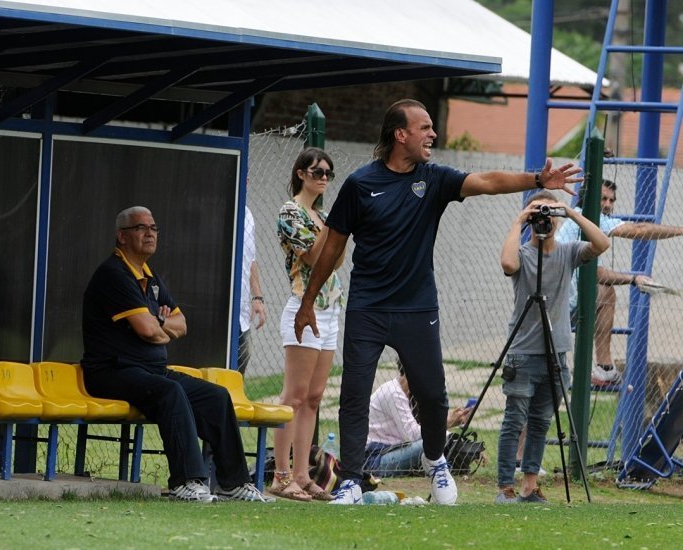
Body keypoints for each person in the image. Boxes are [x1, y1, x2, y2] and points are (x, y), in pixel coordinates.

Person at [293, 98, 583, 506]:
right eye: (424, 127)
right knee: (354, 394)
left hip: (418, 308)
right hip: (368, 307)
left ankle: (435, 461)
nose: (433, 134)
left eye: (432, 126)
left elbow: (486, 181)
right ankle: (352, 481)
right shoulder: (359, 185)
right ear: (400, 135)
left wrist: (537, 178)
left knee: (432, 396)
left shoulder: (434, 179)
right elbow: (331, 248)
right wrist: (308, 302)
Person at [80, 206, 272, 503]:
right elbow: (148, 331)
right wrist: (157, 321)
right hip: (111, 371)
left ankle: (233, 483)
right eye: (140, 228)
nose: (149, 233)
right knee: (170, 392)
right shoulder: (113, 274)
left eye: (154, 228)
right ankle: (186, 481)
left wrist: (155, 321)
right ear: (122, 236)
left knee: (217, 396)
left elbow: (181, 325)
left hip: (149, 370)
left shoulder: (150, 277)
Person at [496, 191, 609, 504]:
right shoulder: (522, 254)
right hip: (523, 353)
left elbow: (602, 244)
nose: (544, 220)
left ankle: (529, 488)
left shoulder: (568, 252)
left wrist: (570, 213)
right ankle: (505, 487)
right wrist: (519, 219)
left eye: (548, 214)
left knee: (541, 422)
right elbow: (507, 263)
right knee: (514, 421)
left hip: (556, 354)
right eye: (538, 214)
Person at [270, 147, 345, 502]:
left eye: (328, 172)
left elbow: (338, 259)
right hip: (304, 306)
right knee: (294, 396)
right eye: (317, 171)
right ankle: (280, 475)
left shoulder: (323, 214)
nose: (324, 177)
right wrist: (333, 228)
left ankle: (303, 474)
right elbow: (315, 256)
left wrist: (333, 227)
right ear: (301, 173)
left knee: (314, 397)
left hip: (330, 308)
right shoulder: (291, 211)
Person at [555, 179, 683, 386]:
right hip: (561, 306)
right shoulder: (589, 219)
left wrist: (633, 279)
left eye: (611, 200)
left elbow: (597, 272)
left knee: (605, 291)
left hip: (564, 303)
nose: (607, 204)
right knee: (606, 291)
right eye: (602, 198)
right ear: (588, 199)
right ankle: (603, 367)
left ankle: (605, 368)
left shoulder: (585, 222)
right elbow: (639, 230)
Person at [365, 362, 471, 478]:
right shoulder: (394, 393)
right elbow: (412, 435)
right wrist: (447, 425)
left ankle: (456, 460)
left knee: (439, 441)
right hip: (375, 460)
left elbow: (424, 428)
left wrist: (460, 440)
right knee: (434, 442)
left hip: (390, 452)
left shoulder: (408, 393)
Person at [238, 204, 266, 376]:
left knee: (242, 358)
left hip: (241, 308)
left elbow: (251, 259)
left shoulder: (247, 213)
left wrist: (257, 297)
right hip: (221, 309)